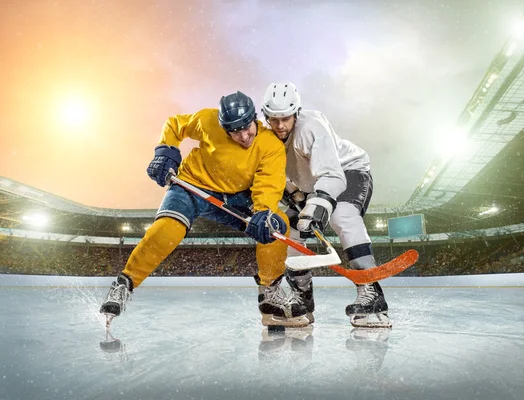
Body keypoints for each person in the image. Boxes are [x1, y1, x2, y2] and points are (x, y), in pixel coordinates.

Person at [100, 91, 310, 328]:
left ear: (255, 119)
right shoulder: (208, 121)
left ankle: (270, 293)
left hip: (236, 198)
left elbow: (268, 183)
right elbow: (175, 124)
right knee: (167, 230)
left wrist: (263, 211)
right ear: (223, 127)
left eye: (247, 127)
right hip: (191, 188)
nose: (243, 136)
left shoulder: (270, 145)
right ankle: (124, 283)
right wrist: (165, 151)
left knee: (274, 226)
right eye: (234, 131)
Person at [261, 82, 391, 328]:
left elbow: (332, 176)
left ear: (296, 113)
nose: (280, 126)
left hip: (348, 170)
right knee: (291, 230)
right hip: (311, 187)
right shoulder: (265, 139)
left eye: (285, 118)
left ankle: (371, 291)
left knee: (341, 215)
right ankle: (302, 299)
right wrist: (296, 197)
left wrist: (318, 205)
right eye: (273, 119)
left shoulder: (310, 128)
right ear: (266, 116)